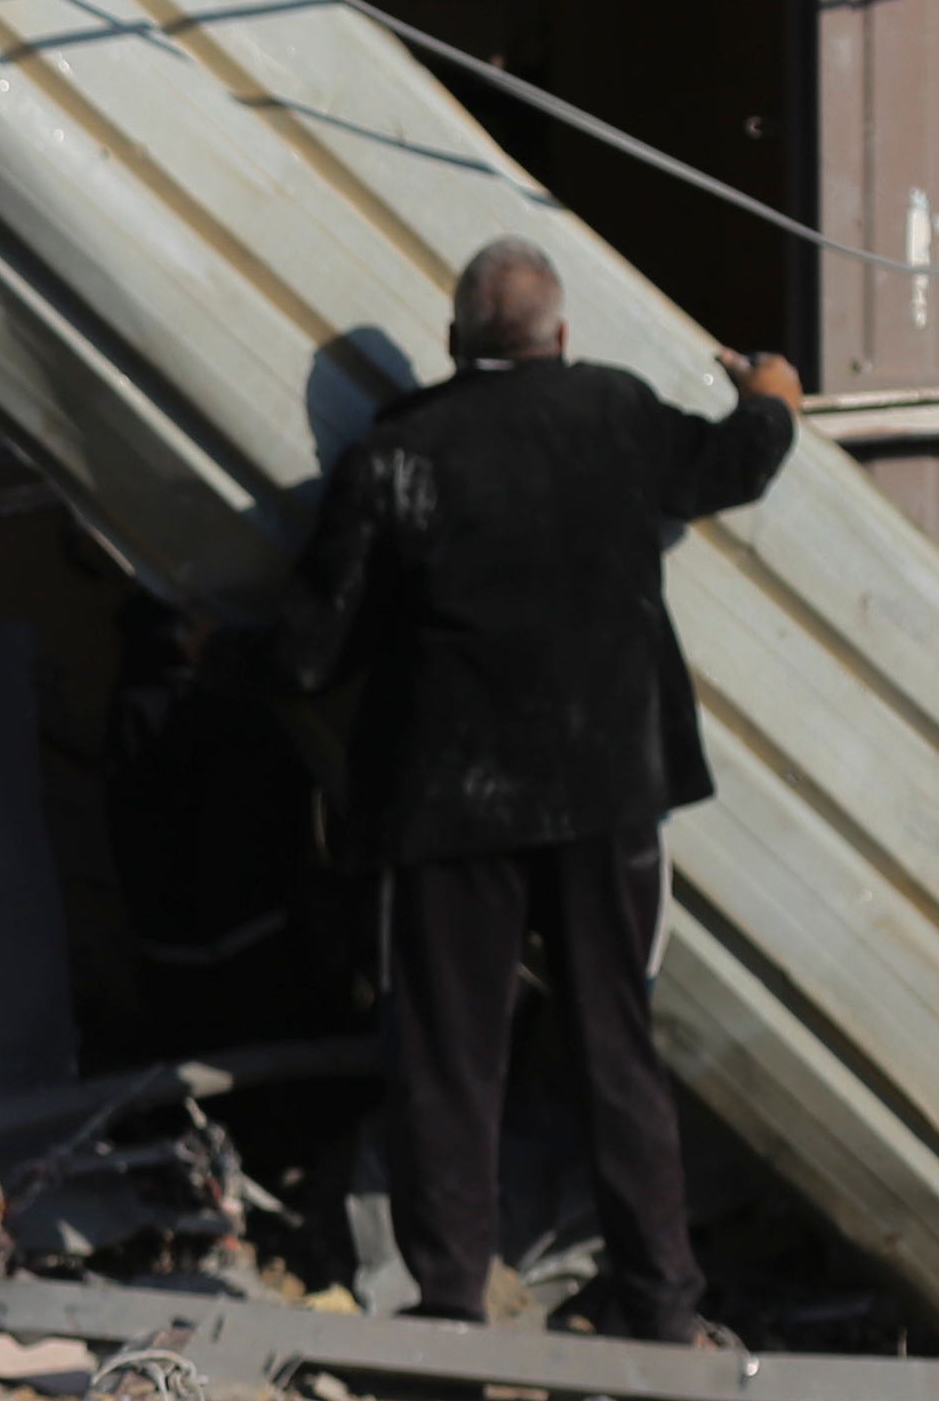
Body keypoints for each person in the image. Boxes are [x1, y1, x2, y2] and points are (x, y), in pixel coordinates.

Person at [294, 237, 801, 1344]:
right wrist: (772, 395)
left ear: (451, 342)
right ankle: (664, 1305)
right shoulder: (613, 413)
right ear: (560, 338)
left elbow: (313, 648)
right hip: (603, 790)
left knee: (448, 1054)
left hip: (447, 805)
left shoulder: (396, 454)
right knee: (614, 1043)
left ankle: (448, 1300)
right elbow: (732, 467)